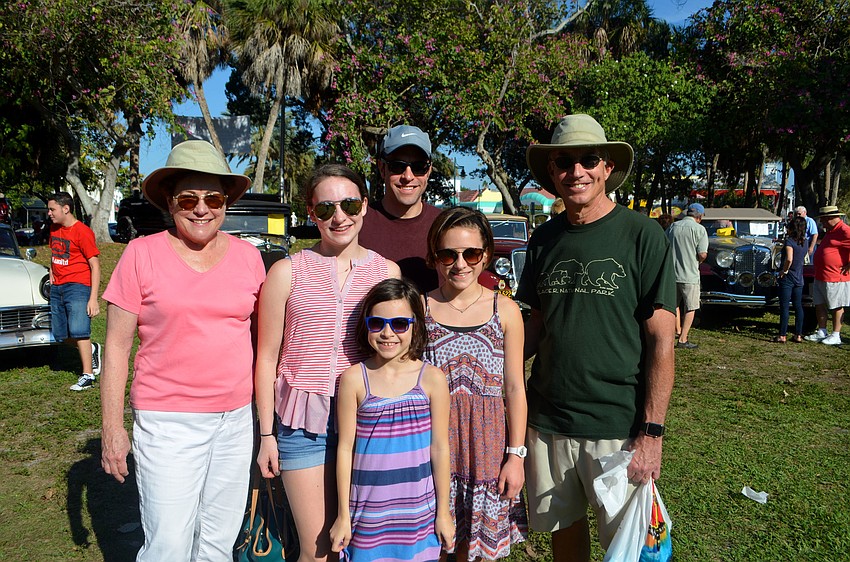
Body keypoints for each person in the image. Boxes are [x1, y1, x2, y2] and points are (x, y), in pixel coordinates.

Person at [517, 114, 676, 562]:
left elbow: (662, 342)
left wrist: (652, 434)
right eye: (563, 162)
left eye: (588, 159)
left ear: (606, 167)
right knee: (563, 533)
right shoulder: (543, 239)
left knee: (628, 547)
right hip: (548, 421)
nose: (576, 171)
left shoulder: (641, 234)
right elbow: (537, 323)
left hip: (618, 427)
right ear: (551, 173)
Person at [99, 140, 266, 560]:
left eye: (213, 198)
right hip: (167, 422)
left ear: (226, 203)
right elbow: (116, 348)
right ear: (170, 204)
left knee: (218, 540)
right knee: (168, 543)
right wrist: (112, 429)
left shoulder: (250, 258)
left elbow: (264, 342)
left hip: (234, 421)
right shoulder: (140, 254)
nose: (201, 208)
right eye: (188, 198)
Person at [255, 164, 401, 562]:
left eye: (350, 204)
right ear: (310, 212)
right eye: (326, 209)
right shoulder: (286, 272)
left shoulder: (387, 272)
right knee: (318, 549)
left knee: (368, 543)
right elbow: (267, 358)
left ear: (366, 206)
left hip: (370, 421)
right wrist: (266, 435)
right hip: (303, 426)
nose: (340, 217)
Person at [422, 207, 528, 561]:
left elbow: (514, 388)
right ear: (434, 256)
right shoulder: (418, 309)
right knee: (436, 547)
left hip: (488, 449)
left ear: (486, 256)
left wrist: (515, 456)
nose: (460, 263)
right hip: (432, 448)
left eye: (471, 253)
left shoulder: (505, 310)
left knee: (480, 552)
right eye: (448, 254)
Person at [330, 278, 454, 561]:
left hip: (418, 518)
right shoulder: (353, 380)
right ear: (366, 325)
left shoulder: (432, 379)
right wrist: (342, 516)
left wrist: (443, 513)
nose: (387, 333)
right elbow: (345, 449)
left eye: (399, 324)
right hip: (367, 520)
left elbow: (440, 448)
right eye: (377, 323)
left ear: (415, 325)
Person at [359, 125, 443, 293]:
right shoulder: (357, 222)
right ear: (382, 168)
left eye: (419, 167)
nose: (408, 176)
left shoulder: (444, 226)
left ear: (428, 172)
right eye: (398, 166)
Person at [46, 191, 102, 391]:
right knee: (60, 335)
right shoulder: (53, 229)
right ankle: (92, 348)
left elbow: (95, 265)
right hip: (58, 287)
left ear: (66, 208)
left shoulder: (83, 232)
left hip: (78, 286)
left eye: (52, 209)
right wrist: (52, 271)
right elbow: (55, 252)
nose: (49, 213)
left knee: (79, 331)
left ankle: (87, 375)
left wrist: (93, 298)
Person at [804, 205, 850, 346]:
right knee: (819, 304)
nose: (822, 223)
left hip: (835, 276)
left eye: (823, 220)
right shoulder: (830, 231)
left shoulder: (845, 230)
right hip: (821, 275)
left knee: (836, 306)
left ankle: (836, 334)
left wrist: (848, 265)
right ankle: (822, 331)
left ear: (830, 218)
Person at [666, 203, 708, 349]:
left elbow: (664, 245)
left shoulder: (673, 227)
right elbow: (702, 253)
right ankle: (683, 339)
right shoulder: (700, 230)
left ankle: (676, 331)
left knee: (673, 305)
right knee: (691, 307)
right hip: (689, 274)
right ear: (699, 216)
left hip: (671, 273)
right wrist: (699, 260)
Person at [775, 216, 808, 343]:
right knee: (798, 306)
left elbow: (789, 258)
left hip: (788, 277)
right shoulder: (804, 242)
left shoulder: (790, 242)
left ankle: (782, 334)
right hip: (799, 277)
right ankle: (798, 334)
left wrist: (784, 270)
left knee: (784, 306)